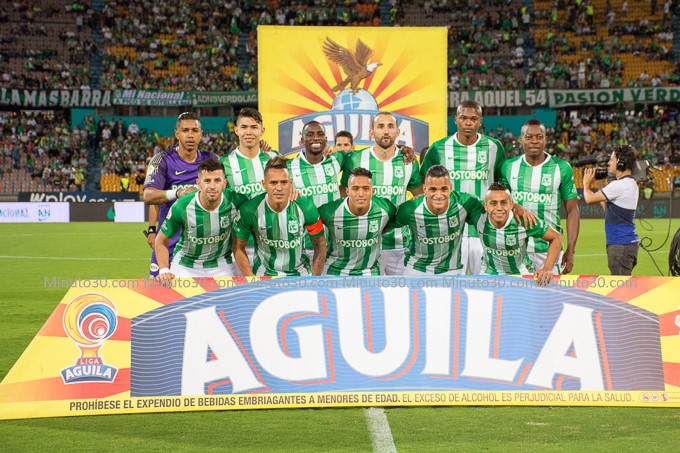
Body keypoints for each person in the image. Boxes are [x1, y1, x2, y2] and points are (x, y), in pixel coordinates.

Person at [420, 100, 506, 274]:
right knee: (448, 283)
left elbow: (499, 182)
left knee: (486, 283)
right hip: (447, 231)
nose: (468, 123)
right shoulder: (439, 148)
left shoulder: (494, 147)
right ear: (456, 119)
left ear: (480, 121)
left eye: (473, 119)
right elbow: (425, 180)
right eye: (463, 118)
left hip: (483, 229)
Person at [340, 111, 423, 275]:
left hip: (399, 244)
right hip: (364, 244)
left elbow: (420, 198)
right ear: (371, 133)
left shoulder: (409, 161)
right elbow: (343, 194)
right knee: (367, 292)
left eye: (390, 126)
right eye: (380, 126)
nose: (386, 131)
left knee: (401, 291)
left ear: (397, 132)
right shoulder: (355, 159)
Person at [143, 112, 218, 277]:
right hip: (168, 242)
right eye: (185, 130)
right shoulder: (162, 160)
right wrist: (152, 229)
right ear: (177, 133)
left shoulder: (212, 160)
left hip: (202, 247)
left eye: (195, 130)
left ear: (201, 134)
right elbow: (149, 196)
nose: (190, 135)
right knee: (159, 289)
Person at [501, 119, 580, 275]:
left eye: (539, 137)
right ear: (521, 139)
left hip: (550, 248)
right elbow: (501, 203)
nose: (534, 141)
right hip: (517, 248)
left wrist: (571, 251)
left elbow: (572, 211)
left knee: (549, 291)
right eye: (529, 137)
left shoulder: (561, 168)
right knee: (517, 292)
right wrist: (514, 206)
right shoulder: (509, 167)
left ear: (545, 139)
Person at [154, 159, 248, 283]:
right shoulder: (182, 205)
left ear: (224, 183)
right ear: (198, 183)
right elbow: (161, 240)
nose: (212, 186)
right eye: (207, 181)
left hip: (221, 264)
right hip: (185, 264)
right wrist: (164, 270)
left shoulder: (236, 200)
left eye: (217, 180)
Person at [233, 156, 326, 276]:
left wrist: (314, 277)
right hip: (263, 274)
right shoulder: (250, 210)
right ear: (264, 184)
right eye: (273, 183)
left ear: (290, 183)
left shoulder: (306, 207)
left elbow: (320, 245)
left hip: (300, 274)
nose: (279, 188)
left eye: (284, 182)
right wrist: (251, 279)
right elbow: (238, 247)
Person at [392, 165, 485, 275]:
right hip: (416, 270)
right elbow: (384, 225)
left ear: (450, 188)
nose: (439, 195)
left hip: (451, 271)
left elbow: (489, 212)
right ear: (424, 189)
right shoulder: (410, 209)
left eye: (444, 189)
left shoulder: (465, 203)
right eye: (433, 189)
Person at [476, 183, 562, 286]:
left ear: (511, 204)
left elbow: (556, 237)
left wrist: (547, 269)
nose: (499, 208)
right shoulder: (477, 216)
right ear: (485, 205)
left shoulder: (524, 220)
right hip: (488, 274)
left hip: (521, 275)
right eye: (493, 203)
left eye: (504, 203)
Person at [319, 167, 397, 275]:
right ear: (347, 191)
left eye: (366, 188)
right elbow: (307, 220)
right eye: (355, 189)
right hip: (335, 271)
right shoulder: (330, 211)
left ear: (372, 191)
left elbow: (399, 218)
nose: (361, 194)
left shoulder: (386, 208)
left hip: (369, 272)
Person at [288, 121, 345, 260]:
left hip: (337, 245)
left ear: (326, 140)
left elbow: (357, 154)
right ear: (302, 140)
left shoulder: (336, 159)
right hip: (307, 246)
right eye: (310, 134)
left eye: (320, 134)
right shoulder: (289, 167)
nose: (316, 138)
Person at [582, 145, 640, 275]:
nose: (608, 163)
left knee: (620, 286)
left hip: (620, 245)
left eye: (612, 159)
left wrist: (586, 184)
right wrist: (600, 185)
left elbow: (589, 199)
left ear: (621, 163)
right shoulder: (630, 183)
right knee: (622, 283)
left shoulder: (619, 185)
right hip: (625, 244)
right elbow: (608, 209)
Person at [219, 107, 278, 197]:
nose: (249, 132)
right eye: (244, 127)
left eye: (254, 127)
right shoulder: (223, 162)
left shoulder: (274, 158)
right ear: (236, 130)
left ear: (262, 131)